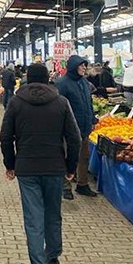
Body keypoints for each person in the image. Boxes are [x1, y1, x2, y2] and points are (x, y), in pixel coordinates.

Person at [0, 63, 82, 264]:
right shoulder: (61, 102)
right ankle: (52, 258)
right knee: (53, 214)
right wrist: (70, 167)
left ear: (27, 78)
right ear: (47, 79)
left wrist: (10, 163)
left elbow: (5, 137)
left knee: (33, 218)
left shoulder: (16, 102)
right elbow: (74, 139)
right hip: (55, 167)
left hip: (27, 169)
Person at [55, 55, 98, 199]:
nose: (84, 68)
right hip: (68, 129)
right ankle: (65, 187)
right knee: (66, 157)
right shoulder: (62, 83)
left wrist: (92, 119)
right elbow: (58, 106)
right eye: (82, 65)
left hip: (84, 127)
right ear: (74, 66)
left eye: (85, 65)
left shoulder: (84, 83)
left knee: (84, 157)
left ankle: (82, 184)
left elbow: (89, 103)